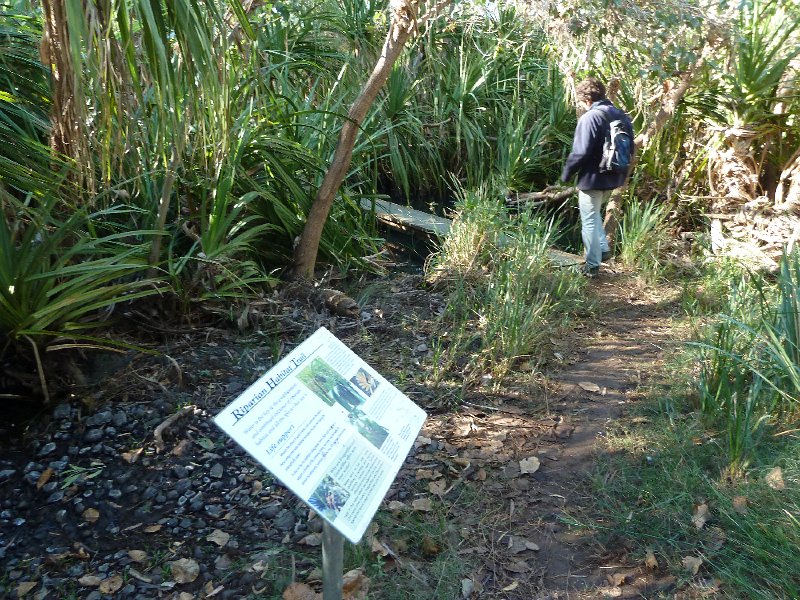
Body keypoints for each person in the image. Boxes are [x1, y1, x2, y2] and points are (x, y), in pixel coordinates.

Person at [561, 77, 633, 276]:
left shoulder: (590, 117)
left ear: (586, 99)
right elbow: (631, 149)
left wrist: (567, 173)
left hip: (592, 177)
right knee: (594, 213)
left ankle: (592, 266)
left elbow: (580, 152)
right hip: (614, 176)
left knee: (590, 219)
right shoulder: (621, 116)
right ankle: (602, 249)